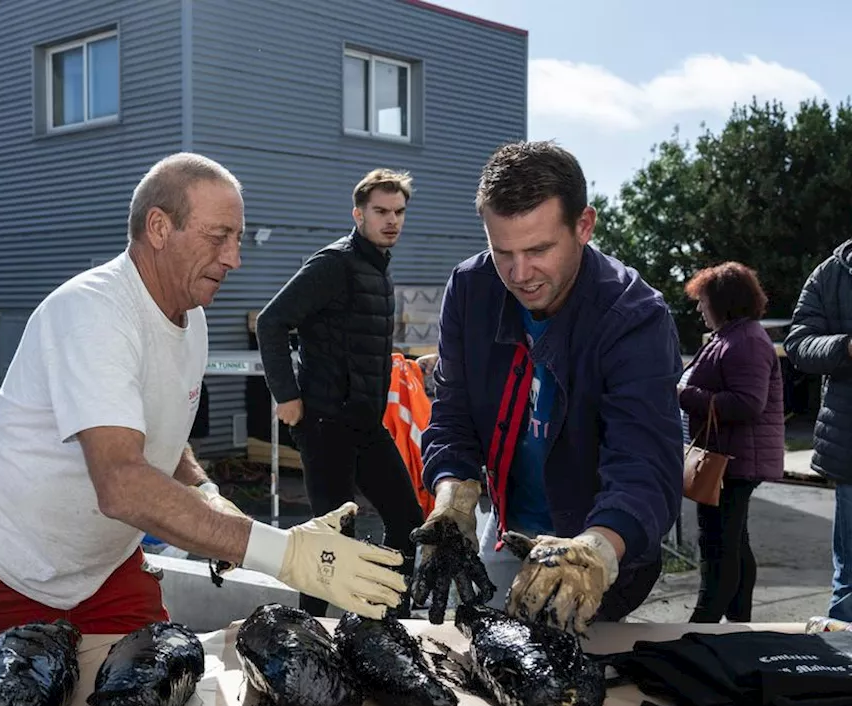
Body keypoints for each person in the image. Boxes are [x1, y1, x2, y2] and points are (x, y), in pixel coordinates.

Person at [0, 152, 406, 635]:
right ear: (159, 228)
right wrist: (280, 552)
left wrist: (205, 491)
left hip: (102, 572)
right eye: (219, 236)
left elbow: (160, 428)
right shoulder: (93, 311)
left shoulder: (190, 317)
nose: (234, 259)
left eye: (237, 239)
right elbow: (120, 481)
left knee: (163, 690)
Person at [418, 141, 683, 634]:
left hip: (604, 540)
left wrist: (596, 548)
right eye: (503, 252)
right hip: (508, 527)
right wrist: (451, 495)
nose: (520, 275)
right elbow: (452, 414)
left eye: (539, 250)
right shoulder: (470, 289)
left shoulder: (635, 316)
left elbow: (645, 464)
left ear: (584, 226)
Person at [256, 168, 424, 617]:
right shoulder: (334, 264)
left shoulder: (377, 268)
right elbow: (272, 321)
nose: (392, 220)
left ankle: (390, 620)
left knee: (408, 521)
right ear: (358, 213)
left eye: (399, 212)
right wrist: (286, 395)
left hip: (365, 425)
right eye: (381, 211)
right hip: (326, 424)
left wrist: (407, 365)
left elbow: (357, 340)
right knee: (333, 539)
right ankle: (305, 633)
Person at [678, 262, 784, 624]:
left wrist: (685, 395)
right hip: (731, 458)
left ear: (723, 301)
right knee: (735, 544)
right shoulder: (736, 337)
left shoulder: (745, 342)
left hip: (731, 462)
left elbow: (747, 404)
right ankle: (740, 626)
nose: (698, 308)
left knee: (718, 546)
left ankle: (701, 627)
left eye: (702, 300)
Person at [784, 238, 852, 621]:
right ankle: (841, 667)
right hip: (850, 446)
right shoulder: (831, 273)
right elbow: (798, 344)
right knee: (851, 582)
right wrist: (846, 347)